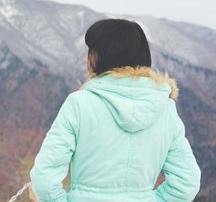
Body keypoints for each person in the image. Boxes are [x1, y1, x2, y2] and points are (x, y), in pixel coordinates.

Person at [29, 18, 201, 202]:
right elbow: (187, 182)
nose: (85, 58)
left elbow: (45, 179)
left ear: (104, 55)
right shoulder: (165, 108)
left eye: (91, 51)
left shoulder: (79, 103)